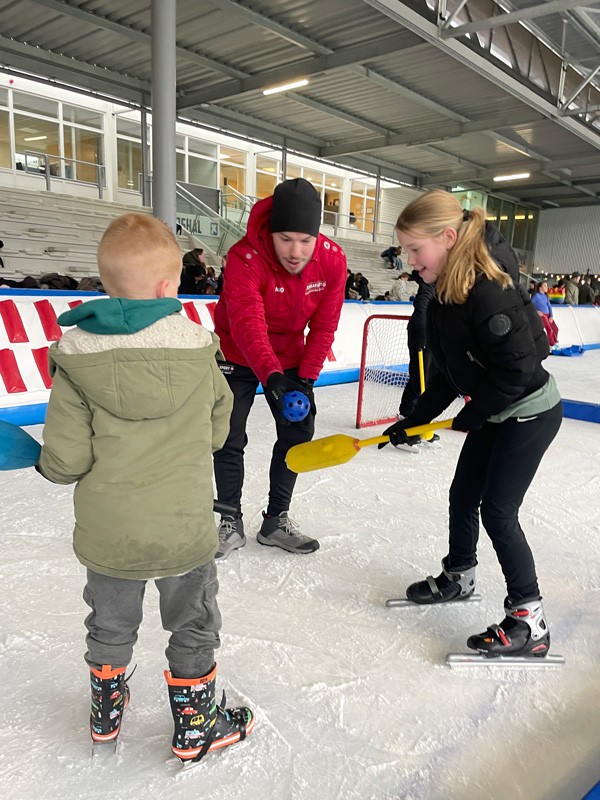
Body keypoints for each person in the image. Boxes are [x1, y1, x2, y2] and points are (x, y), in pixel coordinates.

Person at [36, 213, 254, 763]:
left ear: (107, 285)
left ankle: (106, 715)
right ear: (168, 285)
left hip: (111, 534)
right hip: (183, 527)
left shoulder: (75, 359)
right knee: (193, 618)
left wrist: (41, 461)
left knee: (109, 621)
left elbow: (65, 460)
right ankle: (195, 724)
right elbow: (216, 432)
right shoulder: (199, 351)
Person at [381, 190, 562, 659]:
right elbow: (449, 371)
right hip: (498, 408)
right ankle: (459, 576)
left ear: (446, 238)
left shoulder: (488, 290)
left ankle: (530, 621)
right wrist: (414, 419)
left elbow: (518, 369)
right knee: (463, 495)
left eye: (415, 250)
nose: (410, 260)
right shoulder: (445, 290)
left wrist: (474, 414)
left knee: (499, 511)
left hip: (530, 412)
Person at [213, 178, 347, 559]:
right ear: (272, 232)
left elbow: (324, 326)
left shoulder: (332, 260)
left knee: (298, 430)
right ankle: (229, 520)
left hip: (290, 354)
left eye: (305, 241)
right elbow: (247, 324)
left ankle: (275, 520)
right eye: (286, 238)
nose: (295, 251)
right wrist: (271, 379)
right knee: (227, 434)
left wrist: (304, 380)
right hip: (235, 351)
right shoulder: (244, 258)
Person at [531, 280, 559, 346]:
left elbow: (549, 306)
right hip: (542, 315)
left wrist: (551, 316)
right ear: (540, 288)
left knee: (555, 329)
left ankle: (554, 343)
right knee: (549, 329)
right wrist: (537, 311)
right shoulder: (536, 296)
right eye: (545, 286)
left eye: (547, 286)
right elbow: (530, 305)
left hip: (548, 315)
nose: (547, 287)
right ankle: (550, 344)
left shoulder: (546, 296)